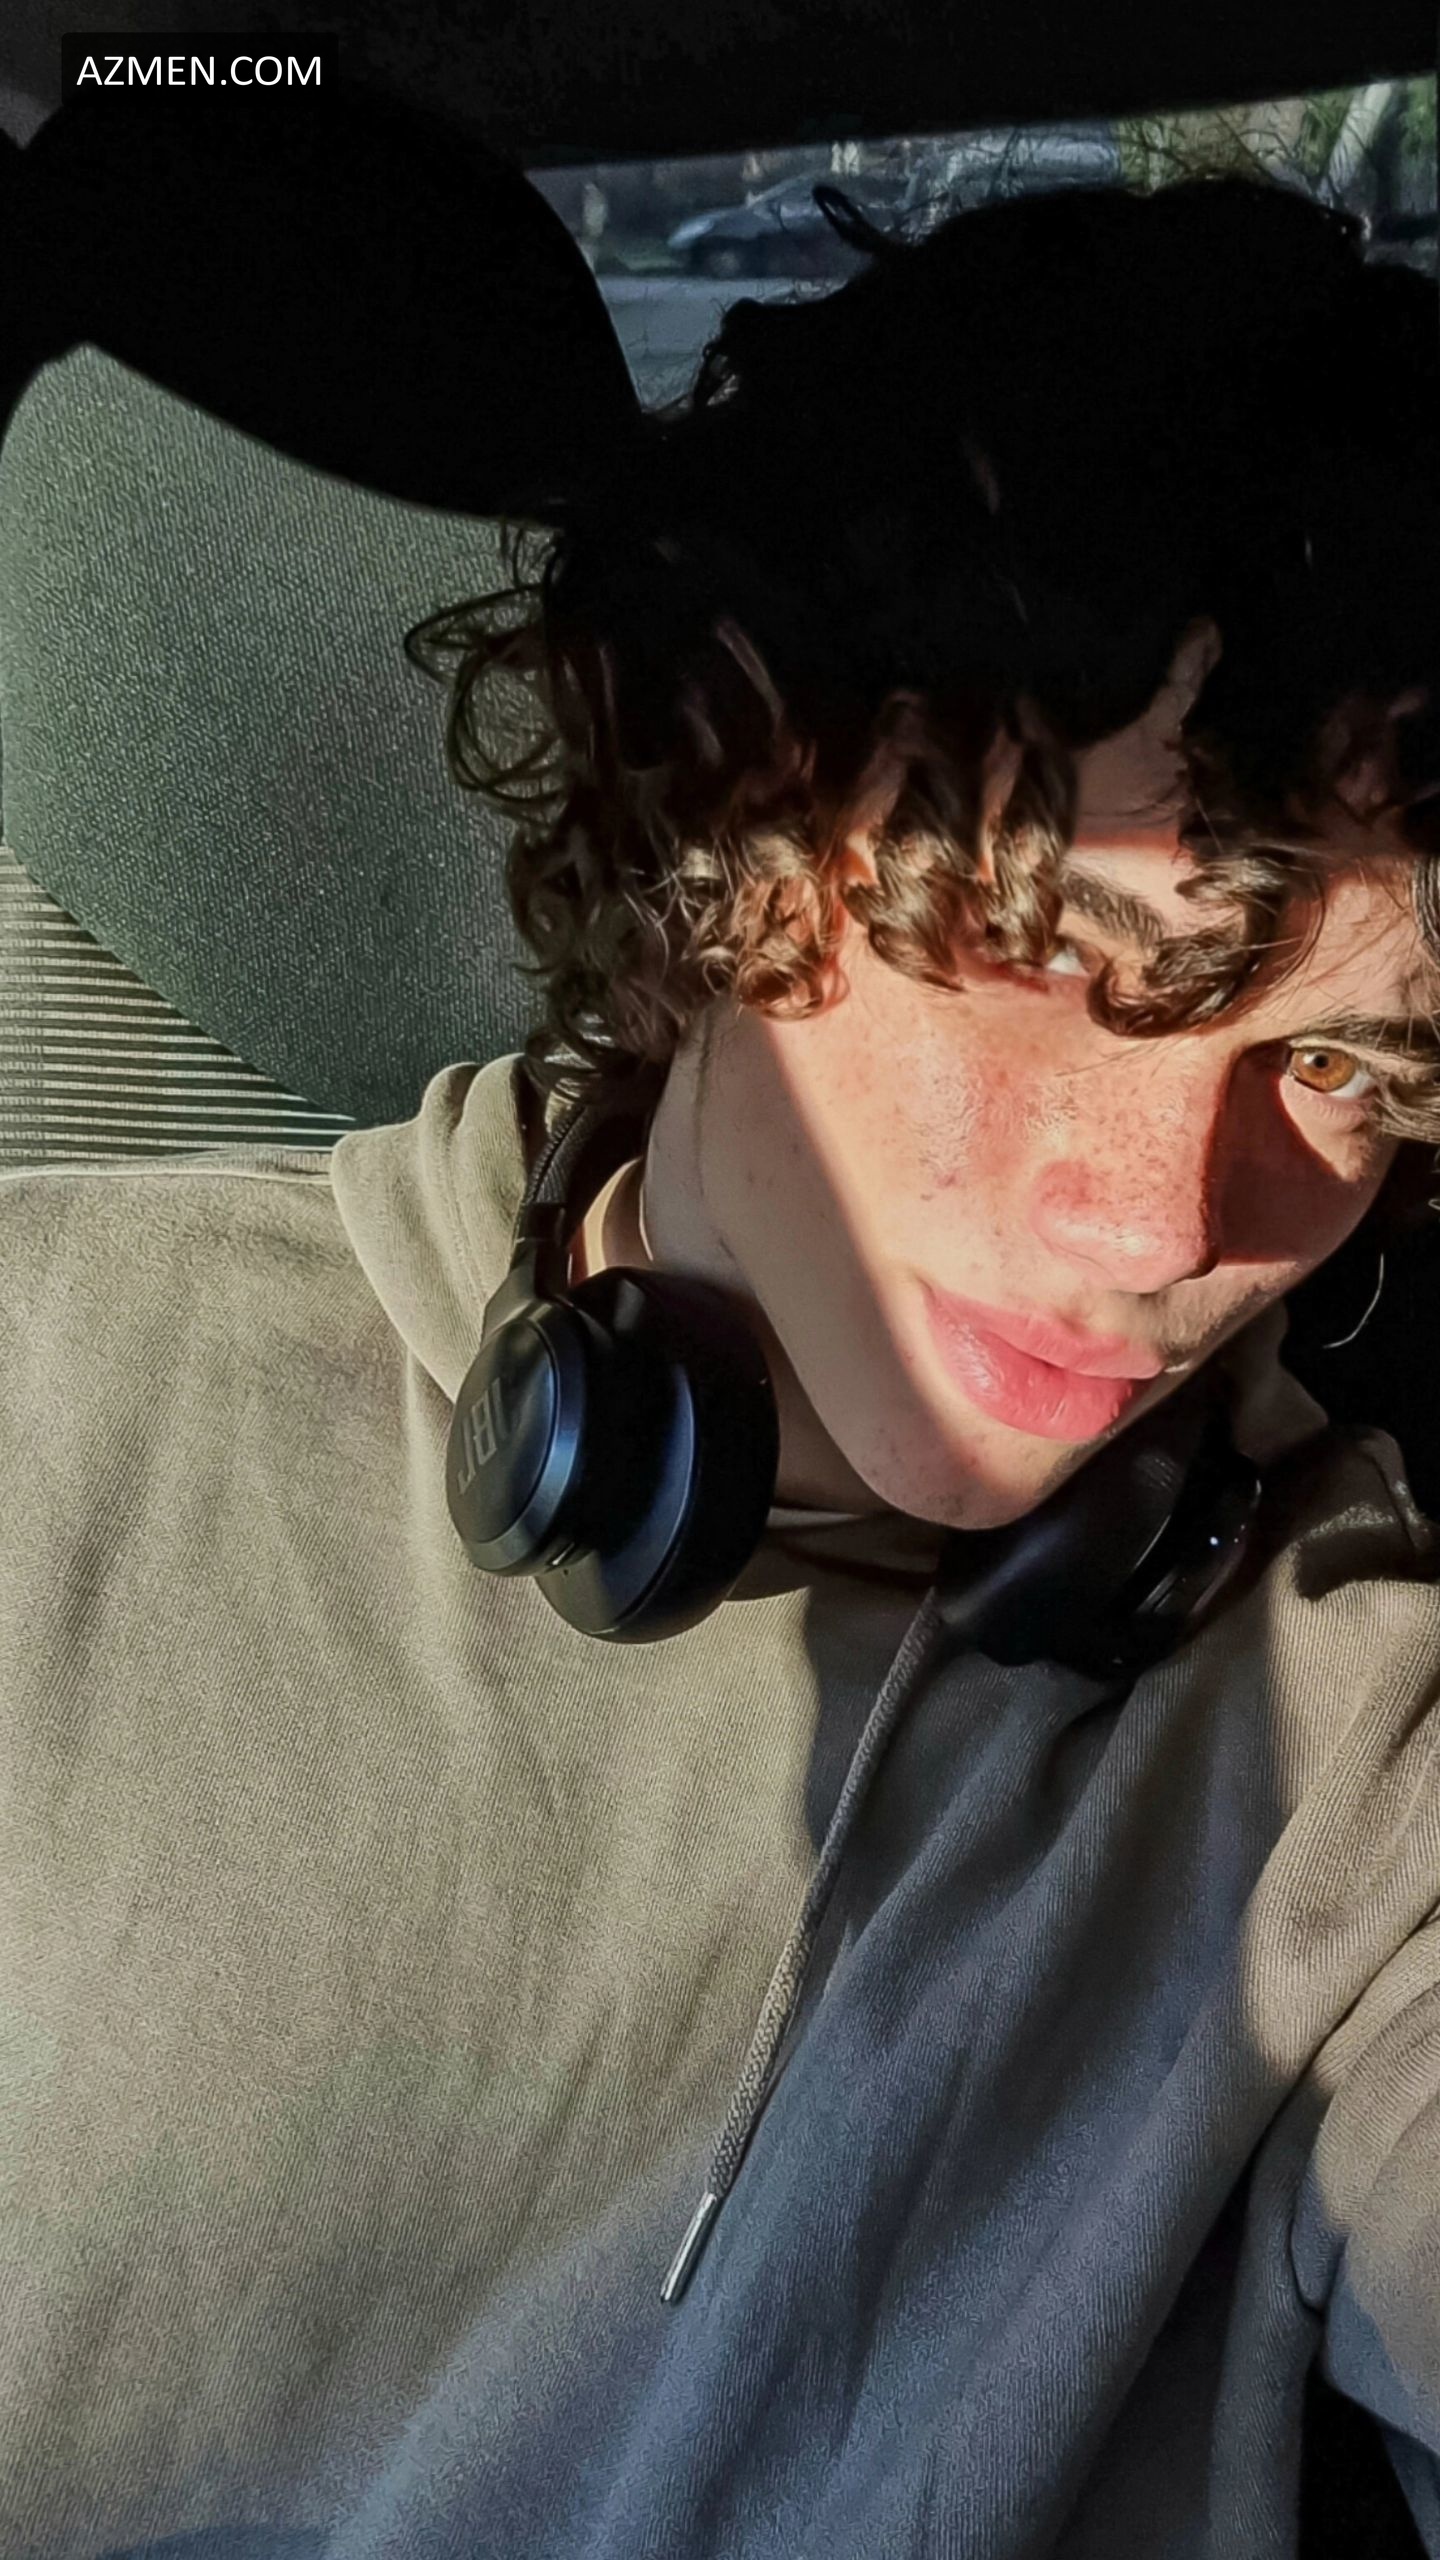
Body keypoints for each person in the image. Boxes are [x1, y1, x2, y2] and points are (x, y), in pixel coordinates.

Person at [3, 170, 1440, 2560]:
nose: (1163, 1224)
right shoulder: (51, 1392)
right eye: (1063, 957)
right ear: (721, 828)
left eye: (1346, 1069)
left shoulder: (1338, 1743)